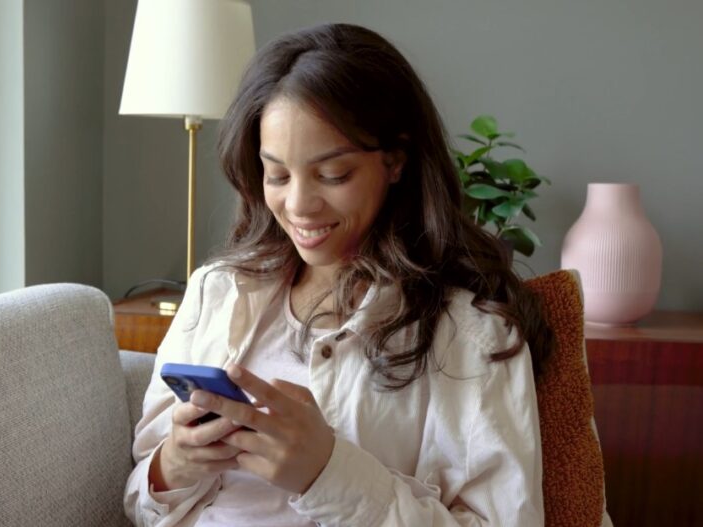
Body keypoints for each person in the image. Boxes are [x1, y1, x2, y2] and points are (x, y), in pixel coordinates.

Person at [124, 22, 556, 526]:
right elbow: (141, 500)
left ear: (395, 160)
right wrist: (173, 465)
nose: (299, 205)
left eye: (334, 174)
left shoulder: (469, 332)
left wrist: (327, 475)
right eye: (277, 174)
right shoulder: (217, 291)